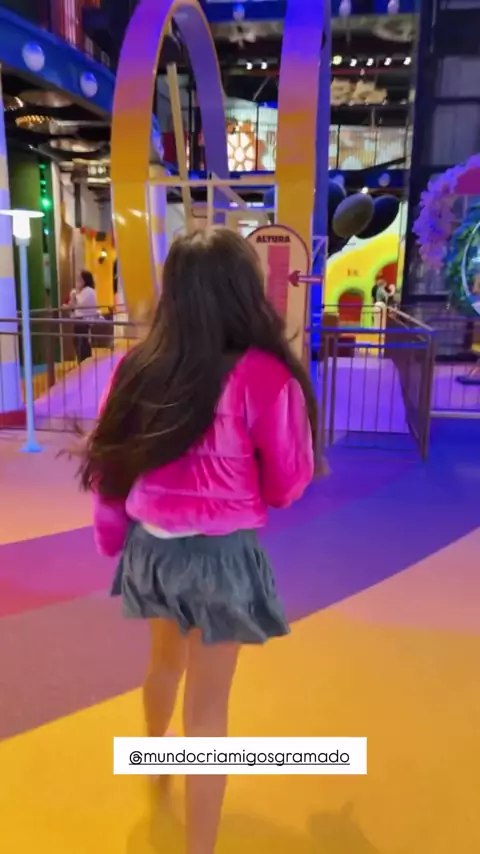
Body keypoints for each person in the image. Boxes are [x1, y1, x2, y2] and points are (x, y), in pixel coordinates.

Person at [79, 229, 318, 854]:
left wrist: (111, 536)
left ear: (175, 291)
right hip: (222, 557)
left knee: (163, 662)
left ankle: (155, 761)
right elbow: (289, 480)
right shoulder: (265, 376)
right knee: (209, 707)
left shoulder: (137, 367)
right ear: (244, 291)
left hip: (153, 549)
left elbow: (109, 468)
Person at [68, 270, 98, 363]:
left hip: (83, 321)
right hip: (78, 321)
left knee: (82, 343)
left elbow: (78, 304)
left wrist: (74, 295)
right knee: (78, 342)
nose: (77, 281)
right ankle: (82, 362)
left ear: (85, 280)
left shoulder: (88, 291)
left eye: (80, 279)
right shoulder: (79, 292)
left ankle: (85, 363)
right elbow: (72, 305)